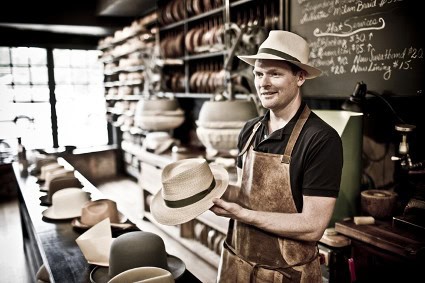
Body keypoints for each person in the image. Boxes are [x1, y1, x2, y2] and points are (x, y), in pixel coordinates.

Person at [210, 30, 343, 282]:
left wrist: (240, 214)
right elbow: (246, 193)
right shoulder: (250, 130)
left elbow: (312, 226)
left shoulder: (321, 139)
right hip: (237, 264)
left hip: (287, 275)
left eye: (275, 74)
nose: (263, 83)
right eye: (259, 73)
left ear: (300, 77)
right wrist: (210, 190)